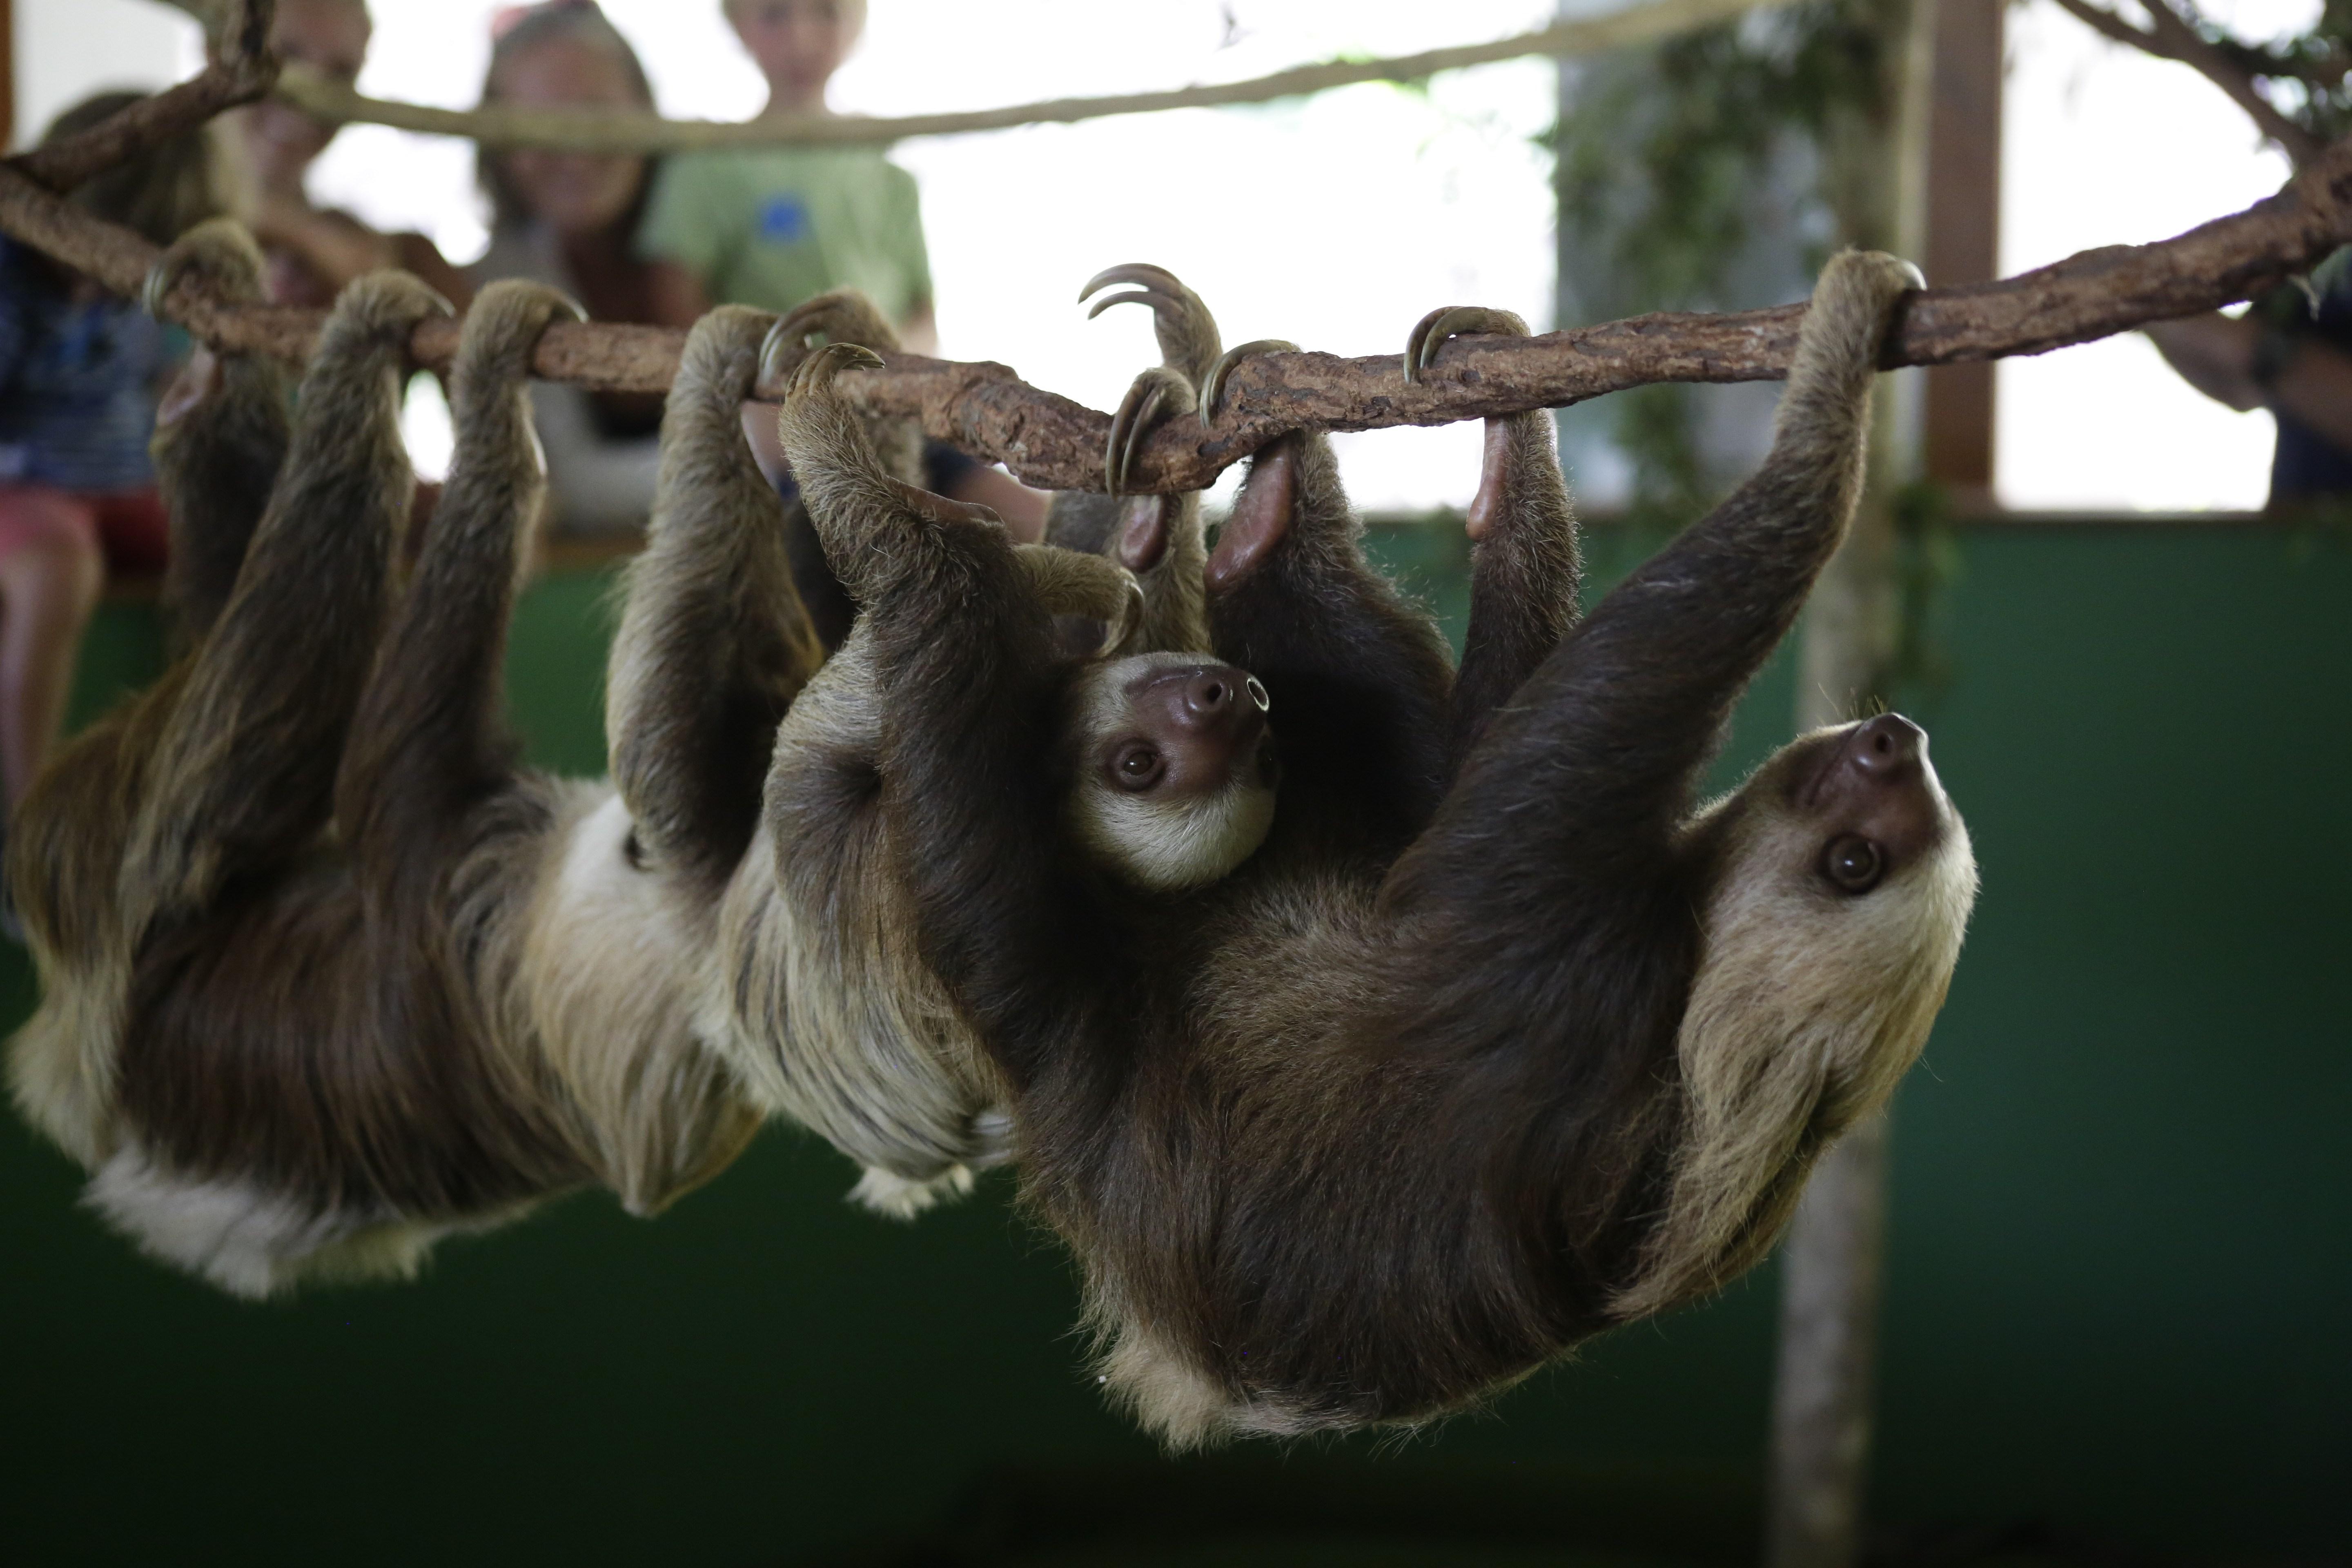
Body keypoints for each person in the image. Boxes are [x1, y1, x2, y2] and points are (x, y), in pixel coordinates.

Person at [637, 0, 1047, 535]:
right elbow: (674, 294)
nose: (803, 36)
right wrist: (754, 406)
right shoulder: (710, 164)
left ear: (857, 23)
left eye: (826, 13)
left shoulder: (886, 174)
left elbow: (922, 310)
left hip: (896, 420)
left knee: (1034, 528)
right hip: (784, 433)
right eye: (776, 15)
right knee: (852, 562)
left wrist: (896, 382)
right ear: (738, 26)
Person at [0, 94, 215, 824]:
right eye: (87, 264)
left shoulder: (154, 284)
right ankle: (28, 821)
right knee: (59, 570)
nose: (97, 288)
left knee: (231, 549)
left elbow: (168, 373)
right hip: (24, 477)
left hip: (125, 471)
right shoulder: (12, 277)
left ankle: (216, 784)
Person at [469, 0, 668, 534]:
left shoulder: (710, 231)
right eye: (540, 126)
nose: (574, 150)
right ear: (501, 149)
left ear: (645, 112)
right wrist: (761, 458)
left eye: (597, 114)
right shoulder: (503, 279)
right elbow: (565, 483)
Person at [223, 0, 470, 309]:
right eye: (287, 56)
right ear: (215, 48)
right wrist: (310, 238)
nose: (307, 106)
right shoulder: (151, 202)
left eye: (340, 76)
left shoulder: (399, 258)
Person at [2147, 250, 2352, 508]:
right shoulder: (2325, 239)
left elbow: (2251, 360)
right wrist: (2148, 313)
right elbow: (2246, 390)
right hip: (2295, 531)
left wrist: (2251, 349)